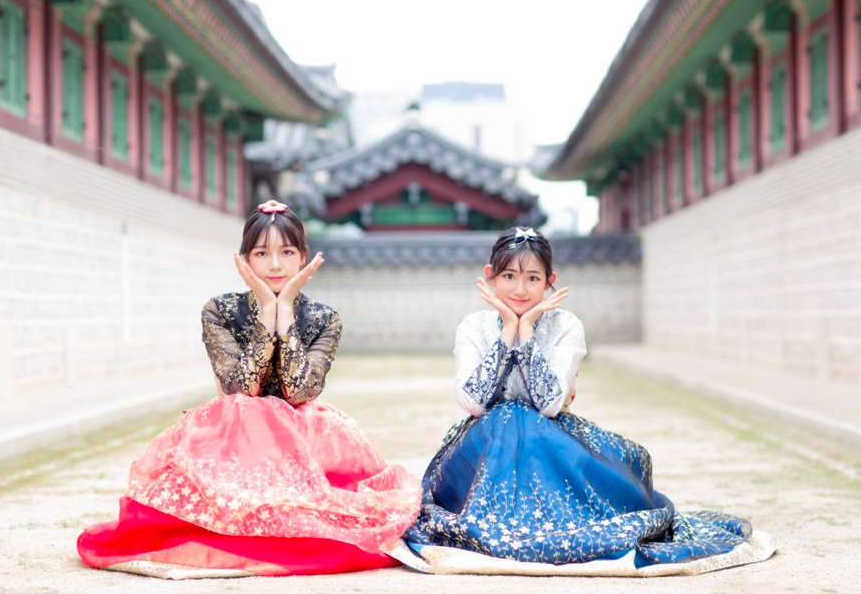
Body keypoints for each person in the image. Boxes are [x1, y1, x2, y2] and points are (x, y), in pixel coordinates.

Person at [396, 226, 774, 576]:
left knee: (528, 424)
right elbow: (474, 403)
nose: (520, 290)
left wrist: (526, 333)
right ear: (490, 276)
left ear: (550, 282)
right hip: (483, 441)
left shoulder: (566, 326)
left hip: (550, 435)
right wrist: (506, 330)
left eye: (533, 278)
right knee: (505, 419)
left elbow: (548, 404)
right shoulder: (473, 327)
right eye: (509, 276)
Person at [77, 200, 422, 579]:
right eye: (262, 253)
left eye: (287, 252)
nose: (275, 265)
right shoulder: (219, 310)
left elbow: (299, 391)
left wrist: (286, 313)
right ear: (245, 260)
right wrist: (264, 315)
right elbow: (242, 388)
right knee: (244, 420)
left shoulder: (325, 318)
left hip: (307, 431)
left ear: (303, 257)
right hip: (237, 428)